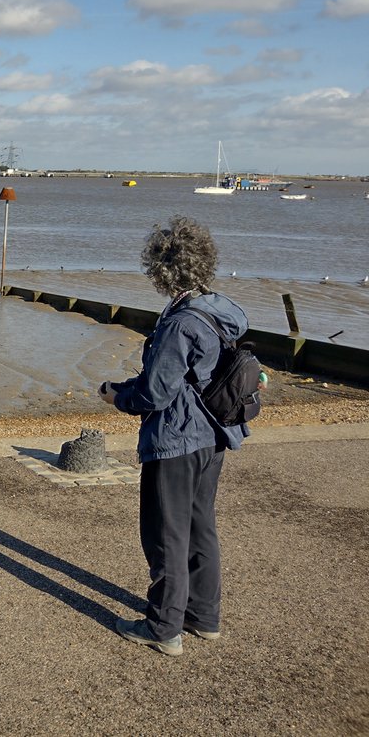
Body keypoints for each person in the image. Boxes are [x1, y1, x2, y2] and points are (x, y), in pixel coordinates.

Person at [99, 216, 250, 657]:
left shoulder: (182, 321)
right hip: (214, 434)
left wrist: (115, 396)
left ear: (160, 269)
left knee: (167, 533)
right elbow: (183, 378)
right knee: (201, 525)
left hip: (177, 439)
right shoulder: (219, 307)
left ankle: (164, 628)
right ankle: (204, 617)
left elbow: (156, 392)